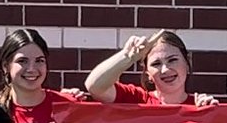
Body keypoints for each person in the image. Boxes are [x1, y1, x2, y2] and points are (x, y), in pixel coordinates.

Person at [83, 30, 217, 107]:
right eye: (156, 64)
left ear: (187, 63)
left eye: (173, 60)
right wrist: (127, 56)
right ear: (147, 74)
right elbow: (95, 86)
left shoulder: (200, 106)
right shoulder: (136, 100)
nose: (165, 69)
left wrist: (211, 116)